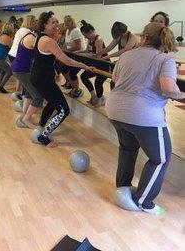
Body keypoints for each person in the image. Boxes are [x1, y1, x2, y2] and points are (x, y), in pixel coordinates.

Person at [106, 22, 185, 215]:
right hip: (144, 115)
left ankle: (122, 187)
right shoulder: (164, 59)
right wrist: (182, 95)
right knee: (160, 159)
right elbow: (168, 88)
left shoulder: (126, 55)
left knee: (128, 148)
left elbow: (115, 80)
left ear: (144, 38)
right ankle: (144, 201)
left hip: (115, 110)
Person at [30, 11, 92, 147]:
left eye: (57, 22)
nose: (56, 25)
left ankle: (41, 128)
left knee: (52, 103)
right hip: (43, 79)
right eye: (53, 22)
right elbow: (66, 60)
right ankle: (44, 137)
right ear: (45, 25)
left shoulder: (40, 37)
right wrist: (84, 66)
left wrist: (56, 38)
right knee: (64, 110)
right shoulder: (48, 41)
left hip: (39, 77)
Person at [11, 31, 43, 128]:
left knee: (29, 91)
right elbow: (39, 53)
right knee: (38, 96)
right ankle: (26, 119)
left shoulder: (29, 37)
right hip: (21, 70)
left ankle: (25, 114)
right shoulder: (31, 39)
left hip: (20, 69)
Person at [79, 22, 108, 106]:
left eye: (85, 35)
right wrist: (79, 52)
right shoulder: (90, 39)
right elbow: (87, 51)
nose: (85, 37)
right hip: (96, 64)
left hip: (104, 65)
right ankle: (93, 95)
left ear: (91, 32)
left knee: (98, 82)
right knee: (83, 76)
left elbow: (98, 56)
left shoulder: (98, 39)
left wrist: (86, 55)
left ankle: (100, 99)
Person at [61, 15, 86, 98]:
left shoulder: (75, 31)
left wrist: (66, 51)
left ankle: (76, 89)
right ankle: (73, 86)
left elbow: (78, 47)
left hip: (79, 56)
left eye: (68, 21)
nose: (66, 23)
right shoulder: (68, 31)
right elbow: (67, 45)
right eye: (65, 21)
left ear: (72, 22)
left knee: (72, 73)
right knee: (63, 70)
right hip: (71, 55)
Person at [0, 23, 14, 93]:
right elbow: (12, 47)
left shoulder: (2, 35)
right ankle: (1, 86)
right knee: (10, 71)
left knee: (3, 70)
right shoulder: (6, 38)